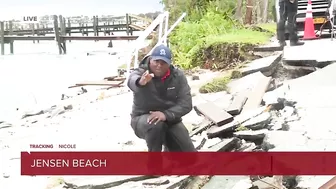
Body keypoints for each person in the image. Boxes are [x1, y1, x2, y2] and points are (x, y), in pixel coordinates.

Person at [127, 44, 197, 152]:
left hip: (170, 119)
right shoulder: (141, 72)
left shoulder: (178, 76)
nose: (159, 65)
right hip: (142, 119)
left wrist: (165, 115)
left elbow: (186, 104)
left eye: (163, 63)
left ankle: (169, 153)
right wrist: (141, 82)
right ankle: (155, 164)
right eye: (156, 61)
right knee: (156, 125)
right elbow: (131, 80)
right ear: (150, 60)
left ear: (169, 64)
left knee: (189, 155)